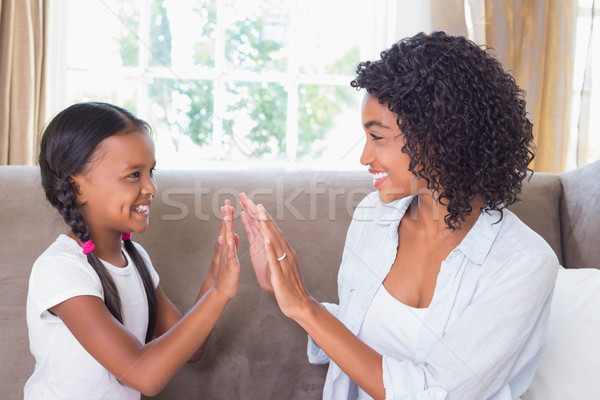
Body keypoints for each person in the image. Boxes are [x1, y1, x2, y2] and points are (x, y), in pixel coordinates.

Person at [239, 31, 559, 400]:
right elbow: (358, 334)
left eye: (378, 137)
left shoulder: (524, 263)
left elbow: (435, 393)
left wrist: (306, 308)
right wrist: (284, 288)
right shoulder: (373, 217)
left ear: (437, 136)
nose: (364, 157)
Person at [25, 102, 240, 399]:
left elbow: (191, 350)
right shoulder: (61, 269)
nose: (151, 187)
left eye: (150, 171)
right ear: (77, 186)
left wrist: (214, 281)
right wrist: (219, 294)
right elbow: (143, 376)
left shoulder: (136, 258)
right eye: (134, 175)